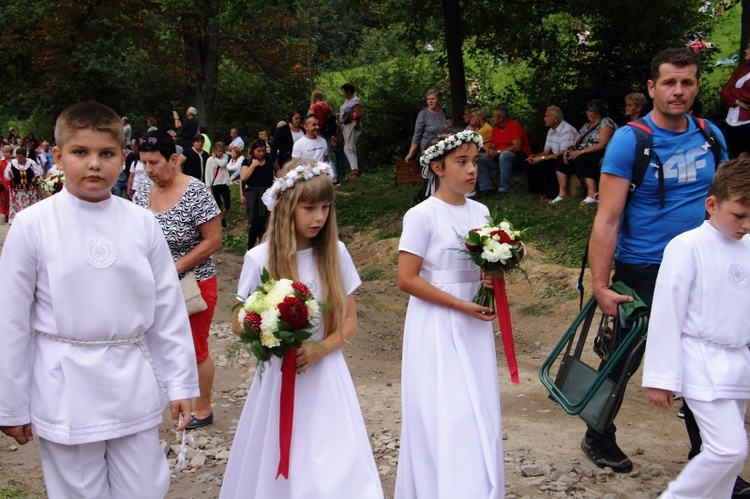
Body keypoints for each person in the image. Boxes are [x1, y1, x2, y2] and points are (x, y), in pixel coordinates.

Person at [0, 102, 198, 498]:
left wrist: (180, 383)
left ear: (124, 159)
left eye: (106, 154)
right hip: (65, 384)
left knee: (142, 486)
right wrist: (12, 404)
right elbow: (11, 319)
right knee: (79, 489)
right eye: (80, 153)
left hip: (132, 380)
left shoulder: (142, 224)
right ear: (57, 157)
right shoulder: (32, 225)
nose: (94, 165)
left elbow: (167, 310)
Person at [585, 47, 729, 477]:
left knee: (704, 360)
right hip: (645, 269)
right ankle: (597, 434)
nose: (678, 90)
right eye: (669, 82)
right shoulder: (632, 139)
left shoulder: (710, 135)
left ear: (698, 85)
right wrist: (600, 283)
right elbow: (608, 217)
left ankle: (708, 456)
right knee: (625, 357)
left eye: (687, 82)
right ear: (652, 87)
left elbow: (727, 201)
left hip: (704, 268)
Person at [221, 160, 383, 499]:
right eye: (309, 208)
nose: (319, 217)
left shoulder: (335, 253)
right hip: (279, 374)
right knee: (280, 453)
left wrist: (323, 347)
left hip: (326, 372)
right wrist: (265, 321)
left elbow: (349, 320)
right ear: (286, 207)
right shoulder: (259, 258)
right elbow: (238, 318)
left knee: (333, 459)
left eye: (325, 207)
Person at [395, 129, 504, 498]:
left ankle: (476, 482)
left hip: (474, 319)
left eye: (475, 161)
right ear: (438, 167)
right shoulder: (421, 215)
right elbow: (407, 279)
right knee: (445, 406)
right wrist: (459, 305)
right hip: (437, 321)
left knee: (477, 404)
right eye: (462, 162)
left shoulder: (482, 211)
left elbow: (483, 261)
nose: (473, 169)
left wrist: (491, 273)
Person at [641, 159, 750, 498]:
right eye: (739, 215)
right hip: (700, 358)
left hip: (737, 360)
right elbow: (666, 313)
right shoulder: (687, 246)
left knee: (732, 459)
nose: (746, 224)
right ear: (712, 204)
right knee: (728, 449)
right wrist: (661, 378)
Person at [133, 130, 222, 430]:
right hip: (151, 284)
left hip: (193, 284)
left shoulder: (195, 191)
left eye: (154, 162)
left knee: (195, 347)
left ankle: (203, 407)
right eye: (144, 162)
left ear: (173, 159)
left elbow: (213, 240)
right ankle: (161, 402)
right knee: (150, 344)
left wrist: (175, 267)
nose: (148, 169)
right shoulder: (143, 188)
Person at [558, 99, 617, 204]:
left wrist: (581, 152)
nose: (587, 112)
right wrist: (568, 151)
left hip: (598, 152)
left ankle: (592, 194)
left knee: (583, 159)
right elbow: (575, 143)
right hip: (581, 152)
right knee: (559, 160)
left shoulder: (606, 122)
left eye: (590, 110)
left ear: (597, 114)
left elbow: (602, 144)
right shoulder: (586, 126)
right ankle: (563, 193)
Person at [476, 106, 532, 196]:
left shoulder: (514, 126)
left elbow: (517, 147)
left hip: (517, 158)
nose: (492, 119)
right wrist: (490, 150)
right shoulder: (495, 128)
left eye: (494, 116)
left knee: (505, 155)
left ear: (501, 118)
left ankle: (504, 189)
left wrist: (498, 152)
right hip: (499, 158)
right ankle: (486, 188)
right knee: (478, 157)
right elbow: (493, 144)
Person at [526, 106, 578, 201]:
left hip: (567, 160)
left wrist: (541, 158)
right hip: (555, 157)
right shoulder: (551, 131)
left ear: (555, 118)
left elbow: (563, 153)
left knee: (551, 163)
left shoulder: (567, 130)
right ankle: (538, 193)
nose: (544, 119)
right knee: (532, 163)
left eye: (546, 116)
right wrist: (535, 156)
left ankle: (551, 196)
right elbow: (546, 152)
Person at [240, 139, 275, 249]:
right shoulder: (248, 161)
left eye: (263, 151)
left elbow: (278, 170)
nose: (261, 153)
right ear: (253, 151)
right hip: (253, 194)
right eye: (258, 151)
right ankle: (250, 247)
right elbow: (243, 177)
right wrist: (254, 165)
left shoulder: (269, 159)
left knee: (266, 221)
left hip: (267, 193)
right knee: (255, 222)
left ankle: (263, 245)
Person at [720, 41, 750, 158]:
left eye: (749, 48)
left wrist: (734, 91)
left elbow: (731, 90)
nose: (745, 50)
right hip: (731, 120)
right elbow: (724, 92)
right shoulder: (742, 69)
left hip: (747, 121)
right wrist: (736, 101)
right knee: (734, 158)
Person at [404, 88, 451, 163]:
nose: (430, 101)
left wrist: (451, 125)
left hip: (444, 149)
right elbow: (417, 135)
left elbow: (451, 131)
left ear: (439, 100)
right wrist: (411, 153)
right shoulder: (423, 114)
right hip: (429, 150)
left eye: (433, 99)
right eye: (428, 99)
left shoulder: (445, 112)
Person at [4, 147, 43, 224]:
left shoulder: (31, 163)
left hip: (30, 192)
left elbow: (39, 174)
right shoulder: (12, 164)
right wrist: (9, 175)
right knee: (19, 209)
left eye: (21, 157)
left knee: (29, 209)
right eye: (17, 156)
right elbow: (6, 177)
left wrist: (36, 179)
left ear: (25, 156)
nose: (19, 158)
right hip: (17, 192)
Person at [204, 141, 231, 228]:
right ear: (215, 151)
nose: (220, 153)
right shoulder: (209, 160)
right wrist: (208, 185)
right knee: (217, 203)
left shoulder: (225, 157)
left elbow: (222, 164)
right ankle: (217, 221)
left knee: (227, 203)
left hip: (223, 183)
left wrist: (215, 158)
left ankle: (222, 218)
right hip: (215, 184)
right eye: (219, 151)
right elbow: (207, 173)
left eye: (222, 151)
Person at [340, 83, 363, 180]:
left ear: (349, 91)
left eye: (344, 91)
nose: (343, 94)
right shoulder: (347, 100)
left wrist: (352, 119)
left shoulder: (355, 100)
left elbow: (358, 114)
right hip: (346, 127)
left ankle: (353, 170)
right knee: (352, 148)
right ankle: (355, 171)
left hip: (352, 126)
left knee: (347, 148)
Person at [0, 145, 12, 223]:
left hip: (12, 182)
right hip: (4, 183)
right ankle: (6, 215)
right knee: (5, 200)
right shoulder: (1, 162)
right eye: (4, 152)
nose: (5, 154)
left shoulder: (14, 160)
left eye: (7, 152)